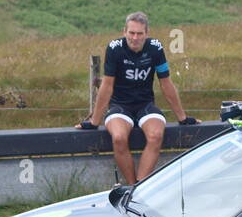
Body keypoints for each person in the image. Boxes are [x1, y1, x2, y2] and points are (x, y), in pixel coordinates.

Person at [77, 12, 196, 185]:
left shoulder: (155, 48)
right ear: (124, 31)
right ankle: (132, 187)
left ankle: (140, 186)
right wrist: (95, 121)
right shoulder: (114, 48)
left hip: (145, 105)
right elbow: (107, 86)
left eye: (140, 33)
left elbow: (166, 83)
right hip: (120, 106)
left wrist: (183, 118)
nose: (135, 37)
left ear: (146, 34)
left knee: (155, 135)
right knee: (118, 137)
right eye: (131, 33)